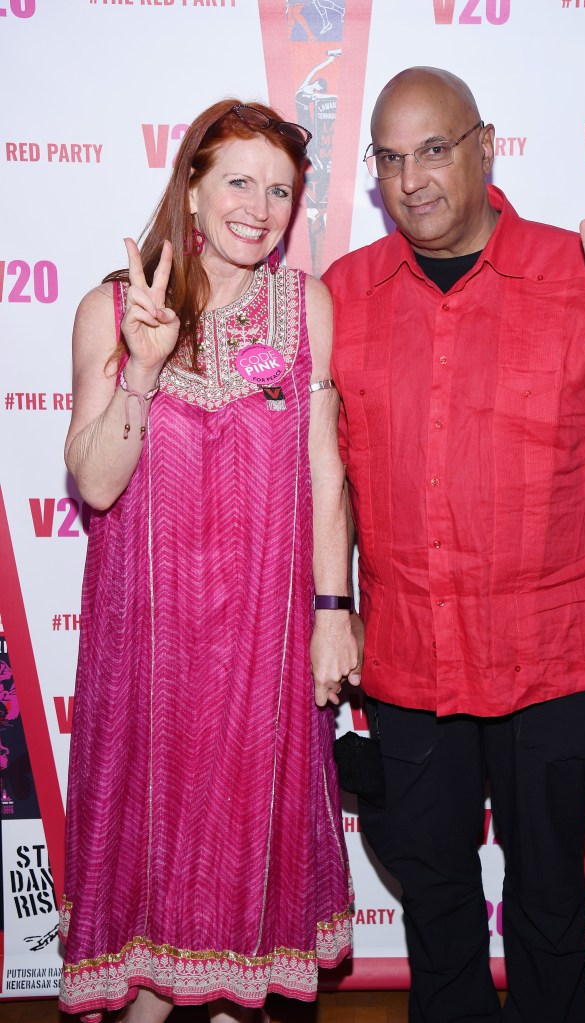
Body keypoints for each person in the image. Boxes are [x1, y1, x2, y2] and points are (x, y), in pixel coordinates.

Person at [322, 67, 585, 1023]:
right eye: (389, 159)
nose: (411, 180)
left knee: (546, 907)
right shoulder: (344, 295)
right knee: (434, 907)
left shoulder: (579, 277)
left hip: (552, 661)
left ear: (485, 146)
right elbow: (329, 480)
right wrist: (332, 610)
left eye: (433, 150)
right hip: (410, 661)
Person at [59, 98, 358, 1023]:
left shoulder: (306, 307)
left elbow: (324, 470)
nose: (259, 209)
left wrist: (332, 612)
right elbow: (95, 484)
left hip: (264, 656)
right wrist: (142, 370)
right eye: (238, 181)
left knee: (242, 935)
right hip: (146, 661)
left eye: (280, 191)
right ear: (190, 187)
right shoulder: (112, 309)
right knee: (154, 927)